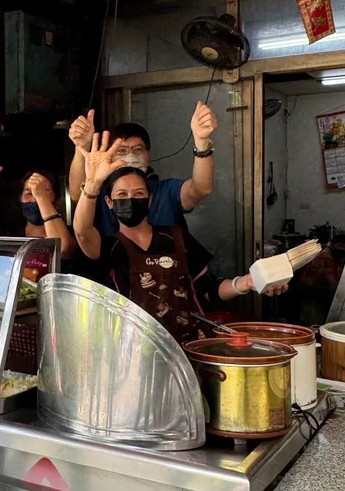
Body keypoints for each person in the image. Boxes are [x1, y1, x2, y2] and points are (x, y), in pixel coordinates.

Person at [73, 132, 287, 343]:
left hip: (188, 349)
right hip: (133, 354)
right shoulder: (108, 247)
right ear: (109, 202)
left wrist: (246, 282)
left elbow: (210, 290)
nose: (131, 199)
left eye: (139, 193)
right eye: (122, 195)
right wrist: (92, 184)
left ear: (149, 200)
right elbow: (82, 231)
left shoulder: (176, 236)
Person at [68, 102, 217, 236]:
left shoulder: (166, 191)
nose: (130, 156)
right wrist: (81, 147)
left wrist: (201, 142)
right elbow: (76, 194)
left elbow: (200, 188)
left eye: (138, 150)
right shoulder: (100, 192)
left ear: (148, 153)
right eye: (121, 151)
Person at [0, 166, 77, 264]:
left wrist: (41, 198)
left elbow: (63, 249)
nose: (34, 198)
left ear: (56, 201)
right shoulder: (11, 236)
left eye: (43, 192)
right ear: (20, 198)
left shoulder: (69, 234)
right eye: (28, 193)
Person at [298, 233, 345, 325]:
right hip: (311, 294)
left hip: (318, 292)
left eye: (344, 247)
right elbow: (333, 283)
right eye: (339, 245)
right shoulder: (325, 257)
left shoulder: (335, 257)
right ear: (332, 245)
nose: (342, 249)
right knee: (315, 324)